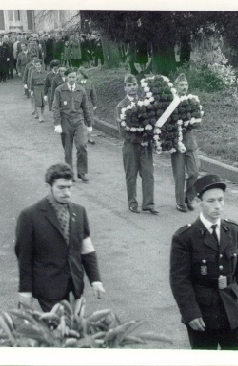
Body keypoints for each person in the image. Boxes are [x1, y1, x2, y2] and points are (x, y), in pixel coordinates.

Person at [169, 174, 238, 350]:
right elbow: (179, 280)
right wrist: (190, 313)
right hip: (203, 314)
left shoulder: (233, 230)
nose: (217, 206)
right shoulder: (185, 237)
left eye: (221, 200)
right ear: (199, 202)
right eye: (211, 201)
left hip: (233, 309)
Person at [14, 163, 106, 312]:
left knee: (75, 329)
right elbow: (24, 257)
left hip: (75, 285)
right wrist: (25, 291)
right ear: (48, 187)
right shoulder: (29, 216)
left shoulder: (79, 211)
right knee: (59, 329)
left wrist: (95, 280)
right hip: (48, 288)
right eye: (61, 188)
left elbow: (87, 250)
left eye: (69, 187)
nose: (67, 193)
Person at [115, 74, 158, 214]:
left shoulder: (145, 103)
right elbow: (123, 131)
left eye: (134, 84)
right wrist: (139, 140)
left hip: (146, 146)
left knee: (148, 174)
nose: (132, 88)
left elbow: (152, 121)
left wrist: (150, 137)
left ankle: (149, 203)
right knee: (131, 175)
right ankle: (132, 203)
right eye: (129, 85)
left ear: (137, 86)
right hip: (131, 146)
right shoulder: (121, 106)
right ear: (125, 88)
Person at [52, 68, 92, 182]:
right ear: (65, 78)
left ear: (76, 78)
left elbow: (86, 108)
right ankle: (69, 173)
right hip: (65, 121)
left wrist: (89, 124)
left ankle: (82, 172)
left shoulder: (81, 90)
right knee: (68, 149)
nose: (71, 79)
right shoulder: (59, 90)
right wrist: (57, 123)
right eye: (69, 77)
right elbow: (55, 107)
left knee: (82, 145)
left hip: (79, 121)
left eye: (74, 77)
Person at [171, 74, 199, 212]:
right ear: (176, 86)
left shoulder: (192, 101)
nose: (184, 87)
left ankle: (189, 197)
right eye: (181, 85)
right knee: (180, 174)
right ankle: (180, 202)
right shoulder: (172, 102)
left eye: (185, 84)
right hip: (177, 140)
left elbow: (197, 118)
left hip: (190, 140)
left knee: (194, 172)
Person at [76, 67, 97, 145]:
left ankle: (89, 137)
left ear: (83, 74)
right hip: (79, 104)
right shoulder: (76, 83)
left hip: (88, 104)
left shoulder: (89, 83)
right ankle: (82, 137)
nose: (77, 76)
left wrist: (94, 104)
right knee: (80, 120)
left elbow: (93, 94)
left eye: (79, 74)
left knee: (89, 120)